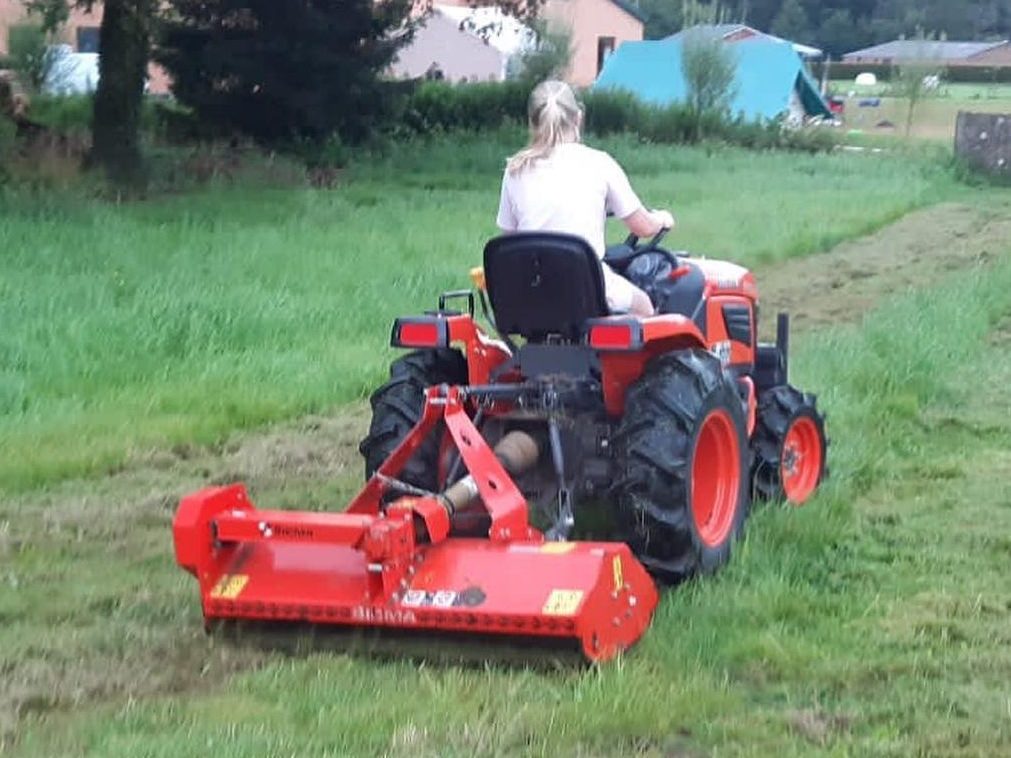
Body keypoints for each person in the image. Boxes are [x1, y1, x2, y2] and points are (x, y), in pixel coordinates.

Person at [496, 80, 675, 317]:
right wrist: (661, 219)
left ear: (532, 122)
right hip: (585, 287)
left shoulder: (515, 169)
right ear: (578, 118)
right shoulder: (599, 164)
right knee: (643, 305)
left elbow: (510, 239)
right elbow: (642, 227)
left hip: (534, 288)